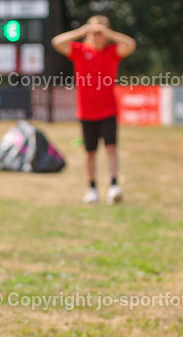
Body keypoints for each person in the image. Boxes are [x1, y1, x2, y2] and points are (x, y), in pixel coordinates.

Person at [51, 15, 136, 204]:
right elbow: (56, 42)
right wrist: (83, 31)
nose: (97, 36)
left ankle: (114, 186)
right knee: (90, 152)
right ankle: (92, 189)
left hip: (108, 110)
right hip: (86, 112)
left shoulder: (112, 52)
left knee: (111, 148)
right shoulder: (79, 51)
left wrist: (109, 33)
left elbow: (130, 44)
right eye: (94, 32)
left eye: (100, 33)